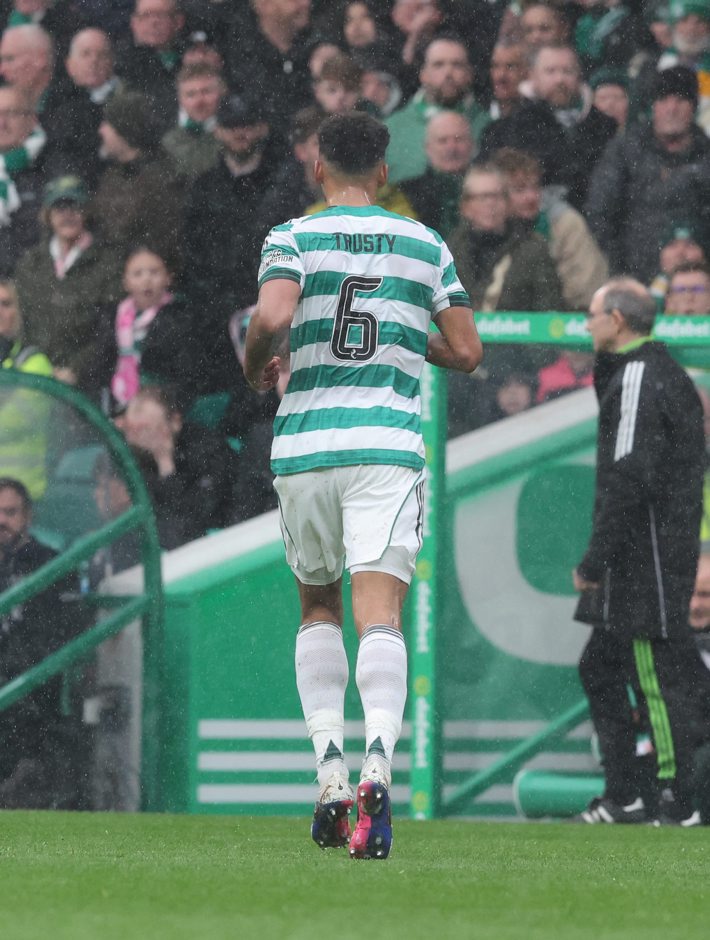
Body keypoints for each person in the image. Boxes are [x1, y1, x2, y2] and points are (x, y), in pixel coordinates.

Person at [243, 111, 482, 858]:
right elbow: (468, 351)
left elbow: (274, 314)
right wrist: (406, 336)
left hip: (307, 447)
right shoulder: (425, 243)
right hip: (385, 446)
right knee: (381, 613)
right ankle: (379, 764)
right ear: (383, 170)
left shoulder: (291, 237)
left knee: (318, 606)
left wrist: (255, 364)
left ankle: (331, 775)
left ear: (318, 168)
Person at [573, 277, 706, 824]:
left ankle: (677, 799)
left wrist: (596, 558)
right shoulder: (657, 372)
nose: (587, 325)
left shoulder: (639, 375)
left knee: (655, 676)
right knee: (600, 665)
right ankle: (626, 792)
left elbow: (628, 474)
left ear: (617, 320)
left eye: (592, 315)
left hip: (643, 557)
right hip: (648, 549)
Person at [0, 477, 87, 809]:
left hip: (35, 690)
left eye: (10, 512)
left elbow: (62, 632)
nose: (2, 521)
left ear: (28, 516)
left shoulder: (51, 564)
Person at [586, 65, 710, 283]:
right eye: (663, 100)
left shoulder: (706, 156)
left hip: (697, 279)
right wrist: (621, 268)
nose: (671, 108)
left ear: (694, 106)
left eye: (681, 100)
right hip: (634, 274)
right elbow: (600, 212)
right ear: (652, 106)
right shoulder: (625, 151)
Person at [15, 175, 122, 394]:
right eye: (59, 208)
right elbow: (23, 323)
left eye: (74, 206)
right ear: (47, 214)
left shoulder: (108, 262)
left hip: (84, 384)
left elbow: (108, 331)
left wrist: (76, 369)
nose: (67, 215)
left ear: (86, 211)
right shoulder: (31, 263)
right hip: (35, 378)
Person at [494, 147, 608, 310]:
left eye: (535, 187)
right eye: (519, 189)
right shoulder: (485, 232)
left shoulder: (565, 224)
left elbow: (584, 289)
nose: (531, 197)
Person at [93, 90, 185, 264]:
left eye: (107, 124)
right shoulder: (112, 175)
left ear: (124, 130)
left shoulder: (163, 181)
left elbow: (163, 242)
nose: (101, 130)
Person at [385, 35, 490, 184]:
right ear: (423, 74)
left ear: (469, 74)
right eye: (438, 65)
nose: (448, 73)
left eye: (457, 65)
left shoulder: (489, 126)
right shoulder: (391, 129)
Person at [111, 247, 198, 410]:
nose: (146, 280)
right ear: (125, 282)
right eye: (137, 274)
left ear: (168, 278)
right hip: (118, 399)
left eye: (154, 272)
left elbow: (185, 372)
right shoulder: (115, 315)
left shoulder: (179, 315)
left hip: (162, 403)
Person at [0, 279, 53, 499]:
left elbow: (10, 423)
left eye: (6, 304)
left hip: (22, 497)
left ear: (20, 312)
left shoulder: (34, 363)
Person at [400, 110, 475, 236]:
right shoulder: (407, 192)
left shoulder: (489, 190)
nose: (451, 148)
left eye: (458, 139)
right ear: (428, 148)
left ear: (471, 145)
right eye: (442, 141)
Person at [161, 61, 224, 180]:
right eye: (191, 94)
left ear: (221, 92)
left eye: (206, 92)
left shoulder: (235, 133)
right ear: (180, 99)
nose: (199, 102)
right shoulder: (167, 140)